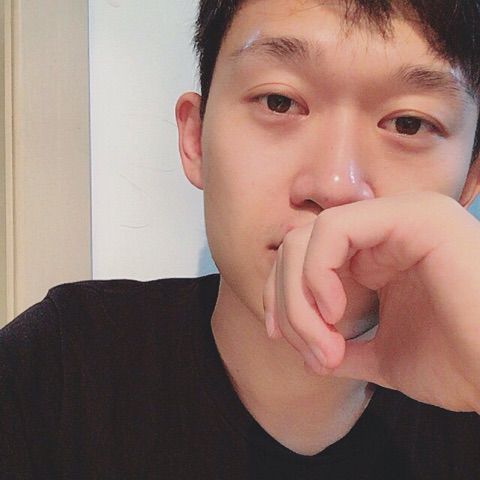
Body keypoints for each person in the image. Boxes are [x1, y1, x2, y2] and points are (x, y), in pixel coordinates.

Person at [1, 0, 480, 478]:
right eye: (278, 102)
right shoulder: (56, 373)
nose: (334, 186)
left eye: (409, 123)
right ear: (195, 139)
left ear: (469, 184)